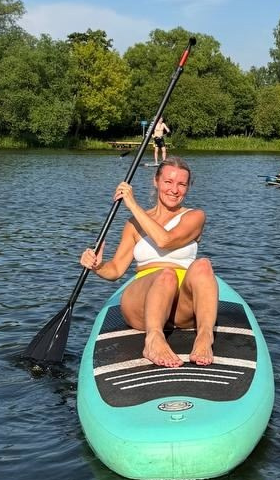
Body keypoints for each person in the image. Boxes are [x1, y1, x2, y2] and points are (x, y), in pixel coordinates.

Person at [79, 158, 217, 369]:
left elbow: (165, 240)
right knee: (166, 275)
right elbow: (115, 270)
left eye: (181, 184)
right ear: (156, 181)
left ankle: (205, 337)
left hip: (181, 308)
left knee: (204, 264)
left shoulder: (195, 217)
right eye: (168, 182)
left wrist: (132, 204)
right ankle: (153, 340)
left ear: (188, 187)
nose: (174, 189)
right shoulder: (134, 224)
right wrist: (97, 265)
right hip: (143, 302)